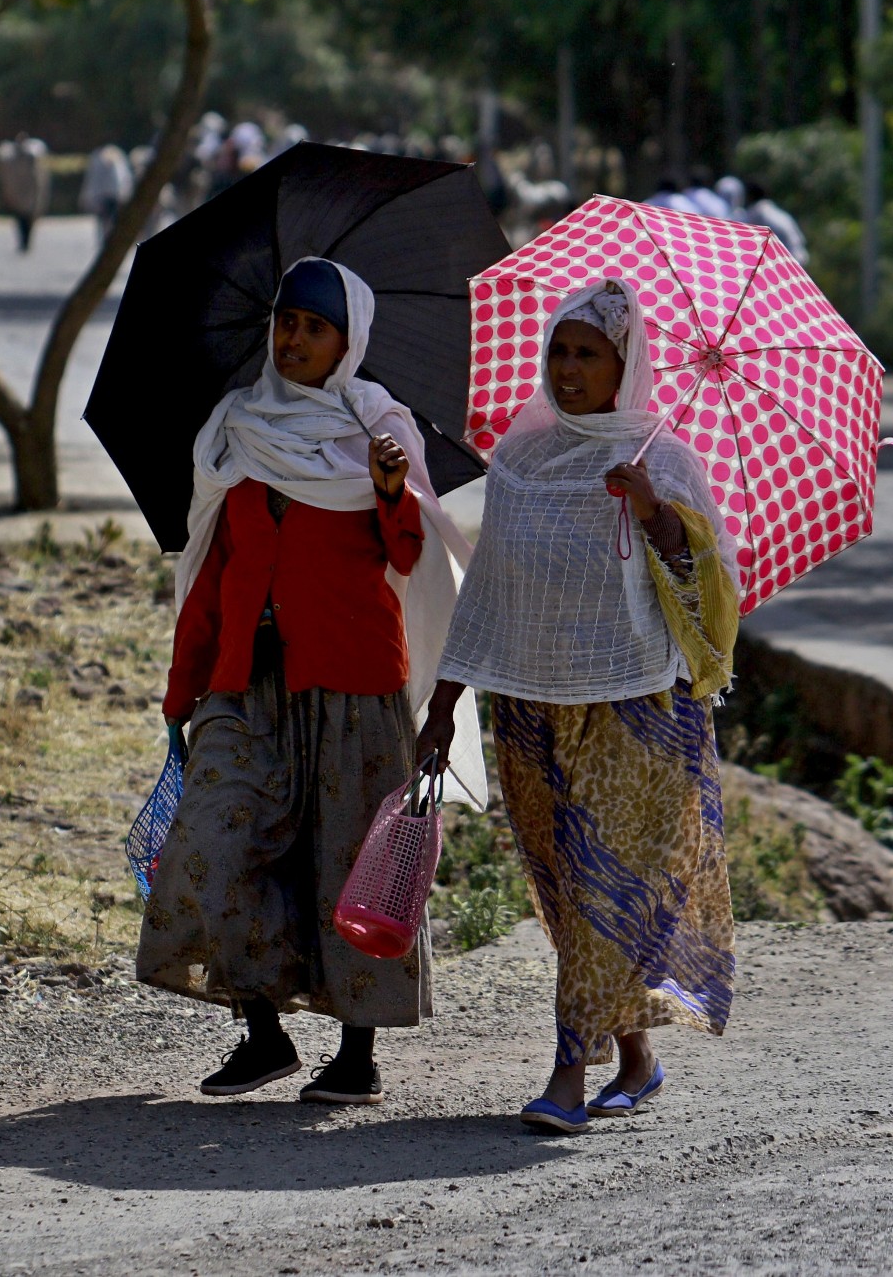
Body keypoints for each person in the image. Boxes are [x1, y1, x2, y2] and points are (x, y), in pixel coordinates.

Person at [137, 257, 483, 1108]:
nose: (293, 339)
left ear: (347, 341)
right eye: (286, 322)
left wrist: (392, 491)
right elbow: (211, 567)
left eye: (313, 327)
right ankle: (262, 1035)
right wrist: (184, 691)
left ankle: (357, 1055)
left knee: (346, 867)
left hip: (353, 686)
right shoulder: (234, 431)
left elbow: (411, 555)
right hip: (244, 687)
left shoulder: (378, 432)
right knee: (213, 846)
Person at [415, 279, 739, 1134]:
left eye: (587, 354)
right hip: (528, 706)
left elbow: (711, 595)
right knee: (572, 894)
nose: (567, 369)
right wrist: (444, 702)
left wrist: (656, 515)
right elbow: (488, 588)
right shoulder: (521, 460)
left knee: (611, 887)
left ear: (624, 365)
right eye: (558, 351)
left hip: (637, 706)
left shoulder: (663, 461)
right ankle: (636, 1060)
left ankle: (567, 1072)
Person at [0, 135, 51, 252]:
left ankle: (25, 243)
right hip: (20, 197)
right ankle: (24, 243)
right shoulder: (12, 159)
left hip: (27, 197)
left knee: (26, 221)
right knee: (21, 221)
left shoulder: (31, 158)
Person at [740, 179, 808, 266]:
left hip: (788, 258)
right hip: (799, 256)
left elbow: (744, 231)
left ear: (750, 195)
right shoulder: (773, 210)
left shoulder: (758, 211)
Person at [78, 144, 133, 247]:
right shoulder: (117, 157)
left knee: (106, 223)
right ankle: (110, 243)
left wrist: (87, 197)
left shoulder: (98, 159)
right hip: (112, 197)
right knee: (110, 222)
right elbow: (125, 180)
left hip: (107, 198)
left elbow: (92, 181)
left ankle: (108, 243)